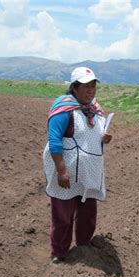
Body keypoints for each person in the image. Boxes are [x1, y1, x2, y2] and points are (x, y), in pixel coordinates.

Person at [42, 67, 112, 264]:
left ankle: (83, 243)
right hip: (67, 172)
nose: (90, 91)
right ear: (74, 87)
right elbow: (54, 139)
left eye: (93, 86)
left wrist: (105, 138)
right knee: (63, 213)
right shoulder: (64, 109)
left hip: (88, 171)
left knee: (87, 210)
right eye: (86, 87)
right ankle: (59, 253)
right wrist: (61, 170)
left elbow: (96, 134)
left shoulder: (95, 110)